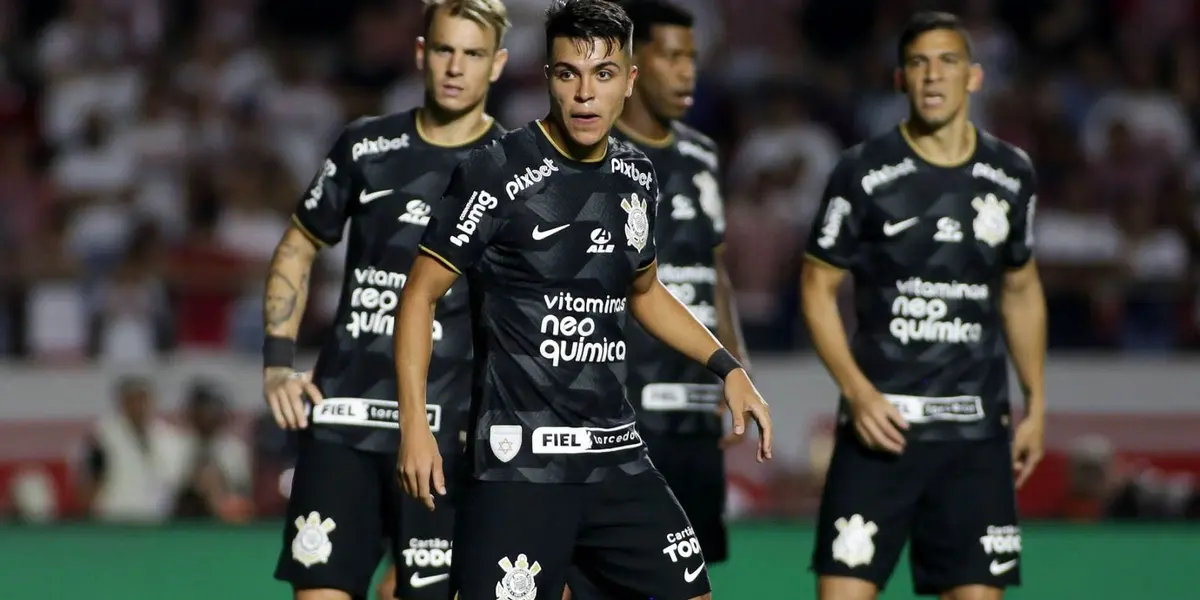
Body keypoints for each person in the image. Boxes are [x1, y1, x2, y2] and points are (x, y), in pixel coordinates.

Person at [393, 1, 772, 599]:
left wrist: (728, 366)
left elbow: (645, 291)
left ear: (629, 80)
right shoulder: (494, 170)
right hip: (520, 465)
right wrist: (414, 425)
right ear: (547, 77)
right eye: (569, 73)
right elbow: (418, 297)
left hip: (616, 457)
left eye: (603, 74)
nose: (585, 94)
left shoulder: (636, 177)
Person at [261, 2, 511, 599]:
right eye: (445, 50)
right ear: (422, 53)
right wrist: (276, 363)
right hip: (343, 417)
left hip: (444, 433)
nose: (456, 67)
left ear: (497, 65)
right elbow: (298, 244)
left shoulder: (515, 168)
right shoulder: (366, 145)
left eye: (473, 54)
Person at [801, 11, 1046, 600]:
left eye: (947, 61)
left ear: (975, 76)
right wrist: (858, 394)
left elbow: (1020, 288)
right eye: (918, 63)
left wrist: (1036, 402)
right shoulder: (862, 171)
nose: (933, 76)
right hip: (879, 430)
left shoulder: (1011, 174)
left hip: (975, 437)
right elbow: (815, 288)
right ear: (899, 80)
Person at [565, 2, 747, 598]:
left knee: (688, 578)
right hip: (623, 406)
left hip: (693, 408)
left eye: (693, 58)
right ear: (634, 66)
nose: (687, 73)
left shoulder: (701, 155)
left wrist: (734, 365)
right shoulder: (592, 153)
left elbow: (713, 269)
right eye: (671, 56)